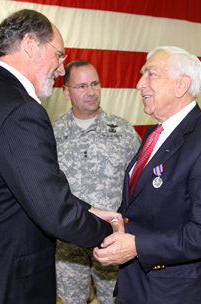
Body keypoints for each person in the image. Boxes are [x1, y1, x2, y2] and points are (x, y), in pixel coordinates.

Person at [0, 9, 122, 304]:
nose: (61, 69)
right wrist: (109, 234)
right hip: (6, 284)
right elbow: (53, 210)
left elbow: (23, 192)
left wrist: (88, 212)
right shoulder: (20, 110)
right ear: (30, 44)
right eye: (59, 55)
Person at [93, 46, 201, 303]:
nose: (139, 84)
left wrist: (137, 246)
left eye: (151, 75)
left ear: (181, 85)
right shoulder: (154, 134)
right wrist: (117, 220)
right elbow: (145, 203)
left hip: (174, 292)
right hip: (138, 285)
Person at [53, 59, 141, 304]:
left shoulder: (123, 132)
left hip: (112, 238)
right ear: (66, 92)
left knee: (116, 300)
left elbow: (139, 185)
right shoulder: (52, 134)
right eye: (81, 86)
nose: (90, 92)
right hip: (68, 242)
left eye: (95, 83)